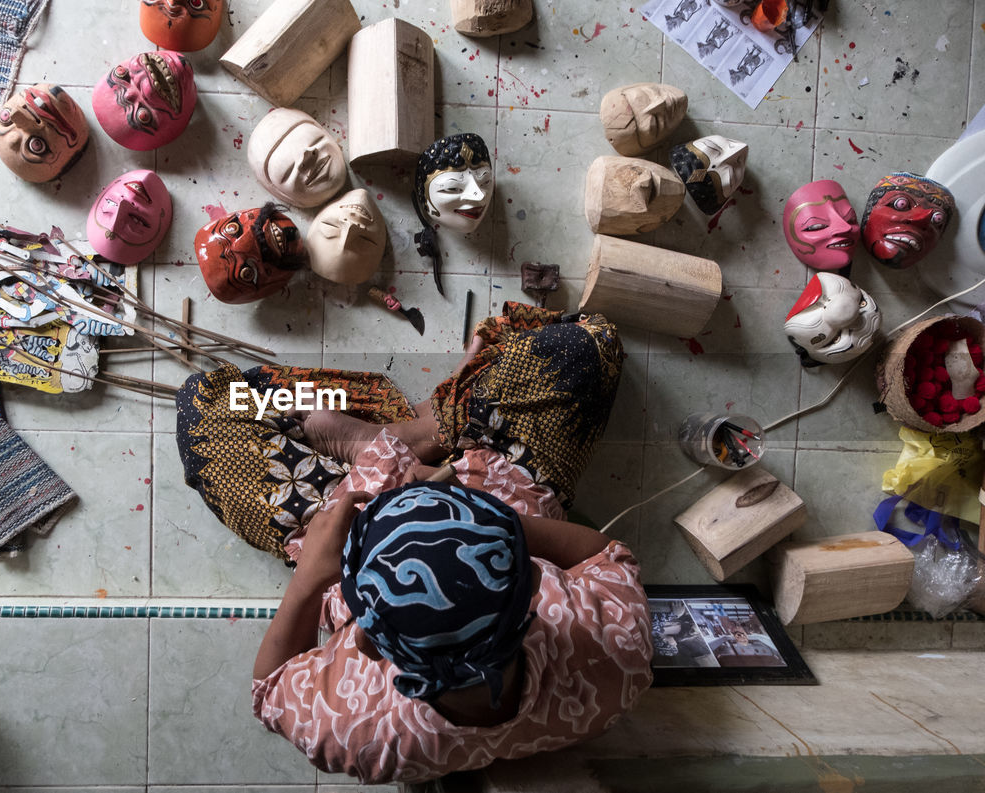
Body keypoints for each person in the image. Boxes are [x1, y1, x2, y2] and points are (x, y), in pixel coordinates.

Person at [174, 302, 653, 783]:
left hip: (332, 513)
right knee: (588, 343)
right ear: (532, 585)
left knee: (214, 401)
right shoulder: (615, 653)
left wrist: (310, 577)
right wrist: (482, 510)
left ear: (362, 641)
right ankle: (424, 430)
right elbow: (602, 554)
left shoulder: (358, 731)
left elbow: (269, 687)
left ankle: (390, 442)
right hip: (499, 481)